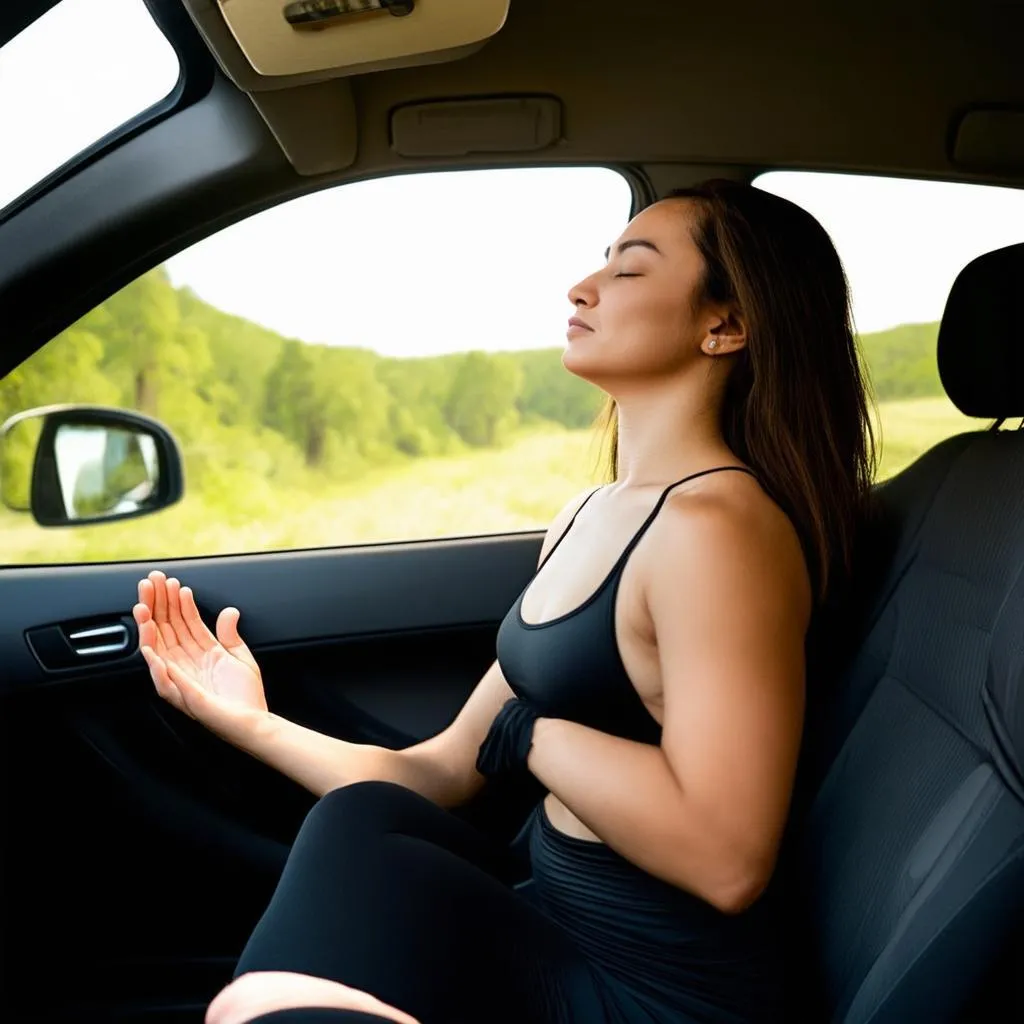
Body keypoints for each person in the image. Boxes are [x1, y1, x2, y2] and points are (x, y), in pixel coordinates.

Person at [133, 179, 876, 1024]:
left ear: (725, 324)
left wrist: (533, 734)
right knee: (364, 819)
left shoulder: (719, 527)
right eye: (601, 263)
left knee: (260, 1003)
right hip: (553, 915)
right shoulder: (589, 513)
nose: (582, 287)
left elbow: (726, 857)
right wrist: (249, 721)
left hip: (657, 988)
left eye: (630, 271)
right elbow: (443, 770)